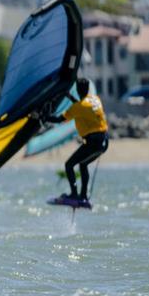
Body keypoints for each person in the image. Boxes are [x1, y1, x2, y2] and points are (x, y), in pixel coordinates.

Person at [46, 77, 108, 207]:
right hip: (104, 142)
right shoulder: (95, 99)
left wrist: (42, 117)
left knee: (69, 165)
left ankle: (74, 194)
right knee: (82, 165)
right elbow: (83, 108)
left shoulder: (78, 107)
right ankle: (83, 196)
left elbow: (59, 119)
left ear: (78, 90)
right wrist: (70, 98)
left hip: (93, 143)